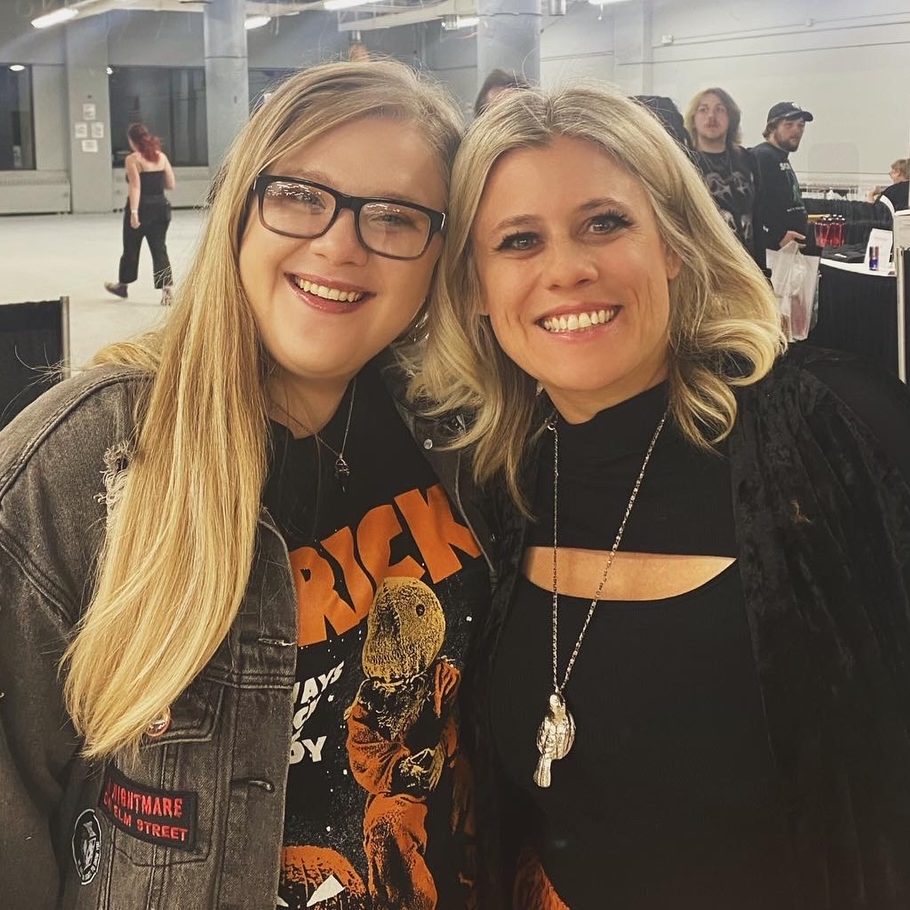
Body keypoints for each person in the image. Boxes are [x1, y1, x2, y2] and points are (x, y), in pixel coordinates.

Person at [0, 60, 495, 909]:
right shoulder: (86, 464)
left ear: (440, 257)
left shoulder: (458, 437)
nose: (340, 244)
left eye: (395, 216)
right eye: (299, 196)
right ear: (240, 211)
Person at [415, 83, 910, 909]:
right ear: (474, 287)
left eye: (605, 223)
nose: (567, 270)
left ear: (674, 243)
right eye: (519, 240)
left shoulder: (839, 432)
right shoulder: (494, 488)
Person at [104, 123, 177, 306]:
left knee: (131, 248)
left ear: (132, 140)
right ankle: (167, 289)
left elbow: (135, 187)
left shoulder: (133, 159)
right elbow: (170, 184)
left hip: (142, 208)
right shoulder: (161, 157)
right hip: (160, 208)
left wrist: (134, 212)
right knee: (159, 249)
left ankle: (123, 285)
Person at [685, 87, 758, 256]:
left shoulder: (747, 158)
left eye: (720, 110)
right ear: (693, 119)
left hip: (747, 260)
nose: (711, 116)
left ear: (731, 117)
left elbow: (759, 210)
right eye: (703, 109)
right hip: (705, 260)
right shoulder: (685, 161)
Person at [751, 101, 813, 267]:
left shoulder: (780, 157)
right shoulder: (762, 156)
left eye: (801, 125)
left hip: (786, 252)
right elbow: (752, 205)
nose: (797, 130)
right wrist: (777, 236)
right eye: (789, 124)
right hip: (772, 255)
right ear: (772, 128)